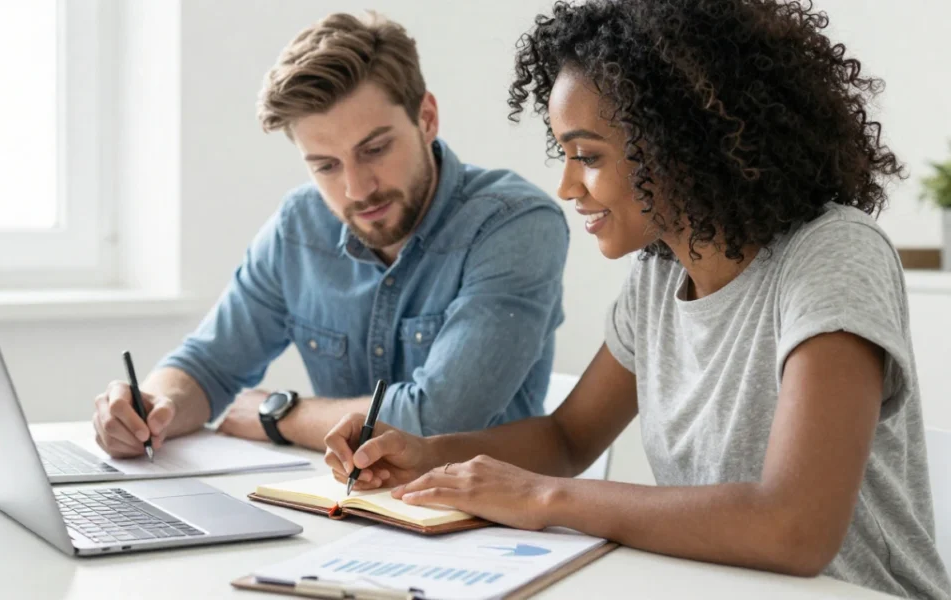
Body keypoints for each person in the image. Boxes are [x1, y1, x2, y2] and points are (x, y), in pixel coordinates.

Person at [323, 1, 951, 598]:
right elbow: (568, 437)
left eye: (587, 156)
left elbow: (795, 527)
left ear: (681, 144)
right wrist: (426, 455)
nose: (567, 185)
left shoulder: (832, 253)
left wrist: (544, 498)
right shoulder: (657, 277)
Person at [90, 12, 568, 456]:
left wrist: (282, 414)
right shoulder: (299, 227)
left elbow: (437, 419)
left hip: (481, 527)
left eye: (375, 149)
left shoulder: (515, 223)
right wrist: (151, 408)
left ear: (426, 118)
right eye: (325, 165)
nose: (356, 188)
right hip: (344, 511)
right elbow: (209, 366)